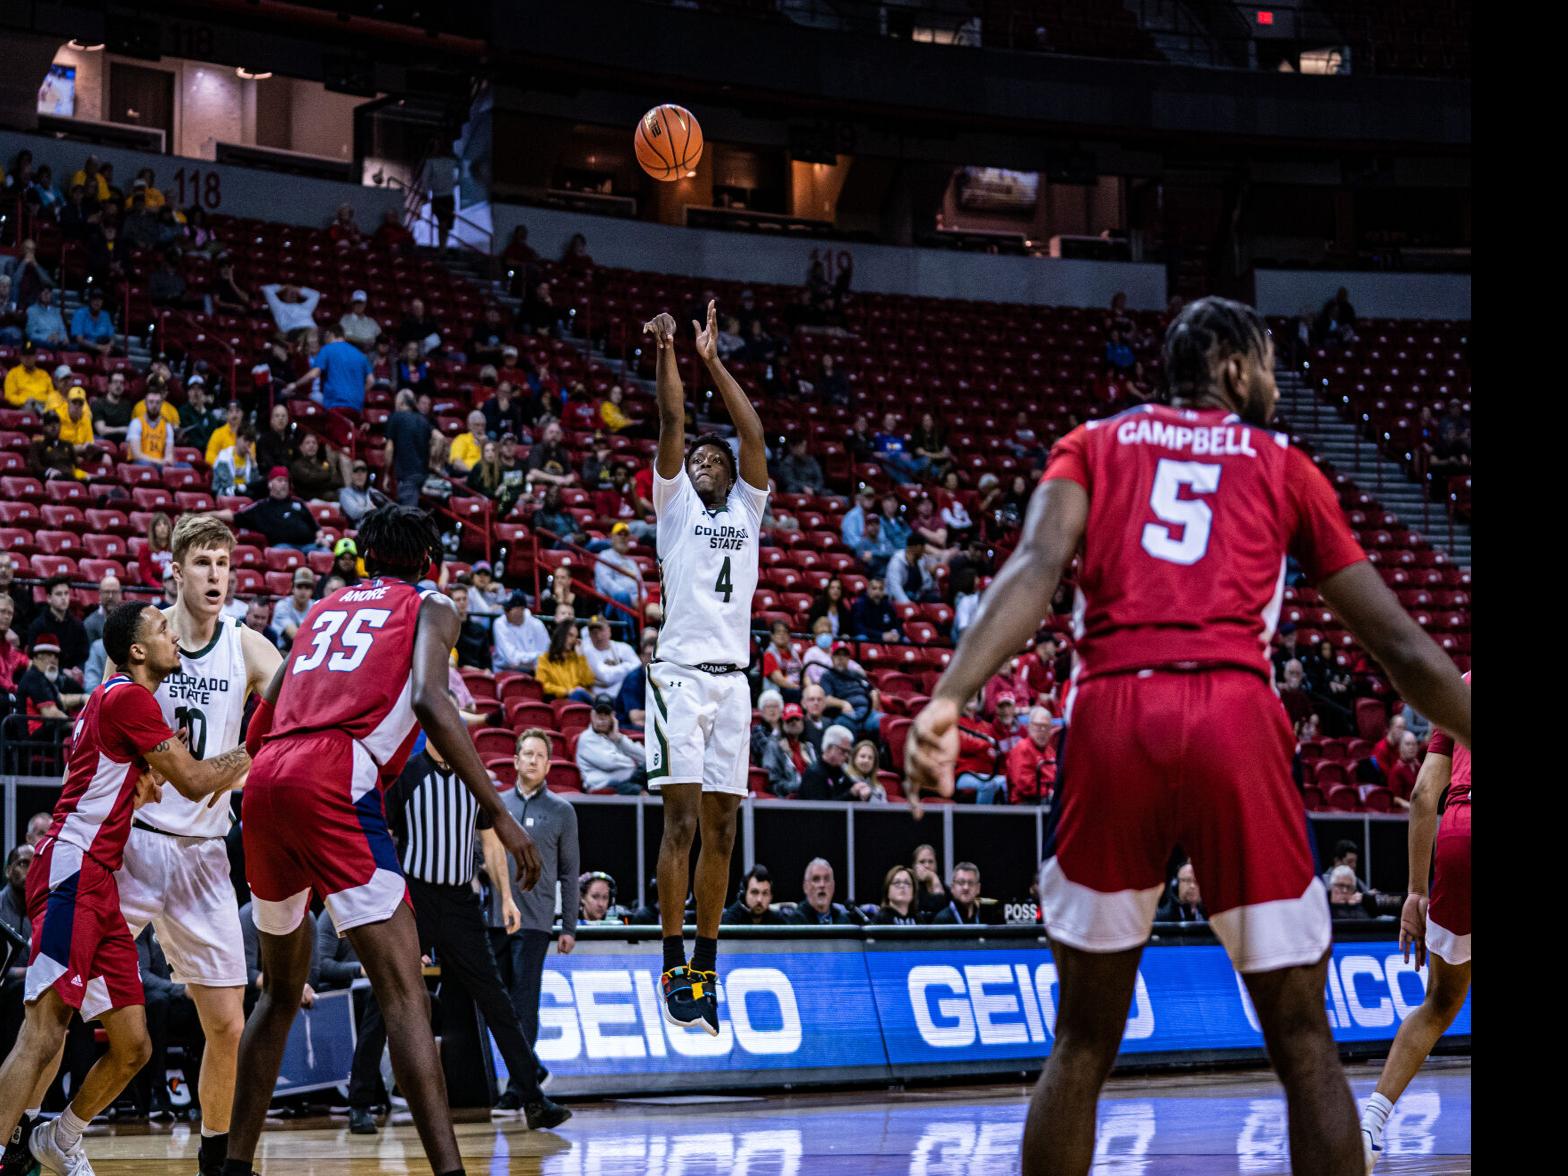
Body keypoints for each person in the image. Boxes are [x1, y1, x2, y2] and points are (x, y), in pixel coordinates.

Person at [903, 295, 1471, 1176]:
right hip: (1233, 719)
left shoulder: (1091, 444)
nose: (1277, 385)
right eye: (1271, 367)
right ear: (1237, 372)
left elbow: (1033, 566)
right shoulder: (1281, 462)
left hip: (1111, 715)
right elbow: (1399, 645)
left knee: (1082, 1042)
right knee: (1303, 1040)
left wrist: (948, 697)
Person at [224, 505, 543, 1176]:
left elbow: (267, 710)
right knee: (404, 993)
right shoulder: (431, 602)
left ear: (363, 557)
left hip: (269, 777)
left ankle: (232, 1166)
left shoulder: (324, 609)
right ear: (433, 560)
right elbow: (430, 698)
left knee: (279, 994)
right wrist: (499, 810)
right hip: (334, 776)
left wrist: (269, 779)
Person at [0, 601, 249, 1176]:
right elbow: (194, 781)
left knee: (134, 1044)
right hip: (71, 865)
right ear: (137, 651)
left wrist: (145, 776)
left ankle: (58, 1137)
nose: (174, 635)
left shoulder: (118, 703)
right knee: (44, 1029)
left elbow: (134, 778)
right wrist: (255, 741)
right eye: (163, 629)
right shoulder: (128, 695)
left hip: (101, 879)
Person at [98, 517, 283, 1174]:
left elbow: (294, 705)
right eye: (202, 562)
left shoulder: (248, 646)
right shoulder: (148, 643)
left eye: (224, 564)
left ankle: (216, 1158)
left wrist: (256, 753)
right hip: (138, 844)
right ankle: (30, 1128)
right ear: (175, 571)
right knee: (63, 1002)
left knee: (229, 1024)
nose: (215, 576)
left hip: (206, 853)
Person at [640, 301, 768, 1036]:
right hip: (681, 674)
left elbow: (751, 434)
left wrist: (714, 360)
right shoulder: (677, 509)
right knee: (682, 821)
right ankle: (669, 958)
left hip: (734, 680)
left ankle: (707, 964)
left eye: (714, 461)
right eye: (699, 461)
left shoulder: (749, 508)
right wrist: (669, 353)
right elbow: (671, 425)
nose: (706, 463)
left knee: (723, 830)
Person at [358, 731, 570, 1132]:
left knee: (497, 1001)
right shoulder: (407, 772)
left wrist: (507, 897)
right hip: (416, 898)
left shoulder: (474, 777)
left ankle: (532, 1098)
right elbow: (381, 835)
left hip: (461, 903)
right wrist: (388, 897)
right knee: (386, 995)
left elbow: (490, 845)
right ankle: (360, 1101)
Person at [1359, 671, 1471, 1170]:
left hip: (1458, 836)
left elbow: (1426, 793)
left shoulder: (1462, 685)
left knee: (1440, 1003)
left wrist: (1415, 892)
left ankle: (1369, 1125)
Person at [493, 729, 577, 1110]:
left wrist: (569, 926)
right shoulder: (495, 804)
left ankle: (518, 1087)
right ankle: (532, 1069)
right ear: (514, 760)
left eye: (539, 755)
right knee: (500, 1004)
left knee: (524, 1004)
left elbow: (569, 872)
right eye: (525, 753)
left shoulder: (562, 811)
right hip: (494, 918)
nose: (531, 760)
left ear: (547, 764)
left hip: (536, 921)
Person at [282, 326, 372, 415]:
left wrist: (295, 384)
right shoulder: (361, 355)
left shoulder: (328, 349)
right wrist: (358, 394)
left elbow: (314, 374)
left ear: (330, 335)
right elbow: (371, 381)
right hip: (357, 406)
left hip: (336, 404)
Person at [575, 695, 644, 795]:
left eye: (606, 713)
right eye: (599, 713)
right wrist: (634, 762)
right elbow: (609, 762)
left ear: (613, 716)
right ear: (592, 715)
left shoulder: (616, 737)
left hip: (626, 781)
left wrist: (619, 739)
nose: (602, 718)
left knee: (653, 775)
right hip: (604, 786)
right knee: (639, 788)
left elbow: (645, 757)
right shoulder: (586, 738)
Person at [24, 575, 89, 674]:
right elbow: (35, 660)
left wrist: (79, 669)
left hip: (74, 678)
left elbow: (84, 656)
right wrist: (62, 671)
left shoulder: (78, 625)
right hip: (46, 677)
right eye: (59, 594)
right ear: (49, 598)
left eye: (66, 593)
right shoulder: (38, 625)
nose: (63, 598)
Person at [383, 388, 434, 509]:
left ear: (400, 402)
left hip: (406, 477)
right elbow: (437, 441)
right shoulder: (423, 420)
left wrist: (386, 473)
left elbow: (389, 448)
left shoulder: (396, 417)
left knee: (408, 517)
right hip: (424, 476)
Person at [818, 642, 880, 737]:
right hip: (846, 714)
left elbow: (872, 689)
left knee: (886, 722)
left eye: (844, 655)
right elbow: (827, 699)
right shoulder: (827, 676)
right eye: (837, 655)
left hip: (867, 712)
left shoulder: (856, 674)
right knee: (844, 728)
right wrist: (843, 703)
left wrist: (874, 695)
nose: (841, 658)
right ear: (832, 657)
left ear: (848, 659)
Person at [1006, 706, 1058, 806]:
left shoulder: (1050, 751)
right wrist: (1049, 793)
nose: (1042, 731)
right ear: (1029, 727)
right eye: (1038, 726)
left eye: (1046, 727)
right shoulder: (1022, 748)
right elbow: (1024, 786)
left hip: (1046, 797)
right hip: (1026, 803)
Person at [785, 858, 862, 925]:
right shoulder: (795, 921)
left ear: (833, 886)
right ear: (805, 887)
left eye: (827, 879)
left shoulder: (843, 921)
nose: (822, 885)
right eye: (816, 879)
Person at [534, 620, 596, 702]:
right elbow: (542, 685)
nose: (573, 640)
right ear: (561, 634)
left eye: (575, 637)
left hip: (581, 699)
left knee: (605, 700)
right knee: (577, 694)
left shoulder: (577, 657)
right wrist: (567, 691)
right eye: (570, 635)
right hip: (559, 701)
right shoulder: (544, 659)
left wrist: (581, 656)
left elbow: (589, 681)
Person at [491, 589, 550, 674]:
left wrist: (530, 660)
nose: (505, 612)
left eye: (509, 609)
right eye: (505, 609)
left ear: (521, 609)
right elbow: (511, 660)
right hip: (504, 671)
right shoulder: (500, 623)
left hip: (533, 672)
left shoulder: (537, 625)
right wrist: (535, 657)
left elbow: (545, 655)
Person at [798, 723, 855, 801]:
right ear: (829, 748)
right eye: (843, 751)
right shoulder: (814, 774)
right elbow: (822, 809)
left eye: (848, 752)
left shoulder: (840, 771)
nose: (846, 756)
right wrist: (851, 794)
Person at [582, 615, 638, 693]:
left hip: (625, 693)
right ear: (590, 636)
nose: (598, 636)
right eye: (594, 633)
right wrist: (626, 666)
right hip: (600, 696)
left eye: (601, 630)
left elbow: (638, 669)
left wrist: (616, 672)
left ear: (609, 630)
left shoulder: (624, 648)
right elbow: (606, 676)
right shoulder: (588, 652)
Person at [271, 567, 317, 646]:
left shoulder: (316, 606)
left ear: (312, 590)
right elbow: (295, 636)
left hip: (306, 649)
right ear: (292, 588)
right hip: (283, 652)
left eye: (307, 587)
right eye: (299, 586)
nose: (303, 591)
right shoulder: (282, 606)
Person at [338, 458, 389, 525]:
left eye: (363, 471)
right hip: (357, 532)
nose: (360, 475)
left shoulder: (372, 491)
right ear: (351, 474)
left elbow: (388, 506)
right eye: (356, 471)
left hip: (376, 528)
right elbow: (355, 513)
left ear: (367, 474)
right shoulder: (345, 493)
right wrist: (374, 509)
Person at [850, 577, 901, 643]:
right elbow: (858, 628)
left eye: (881, 589)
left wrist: (895, 633)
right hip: (869, 638)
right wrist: (881, 635)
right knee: (861, 637)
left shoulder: (887, 605)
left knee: (905, 639)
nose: (877, 592)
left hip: (886, 639)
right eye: (874, 588)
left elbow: (897, 624)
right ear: (868, 590)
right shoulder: (860, 605)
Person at [70, 287, 116, 356]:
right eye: (94, 298)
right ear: (90, 300)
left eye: (100, 299)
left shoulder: (106, 315)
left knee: (118, 352)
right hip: (87, 346)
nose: (97, 302)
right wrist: (98, 347)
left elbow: (112, 337)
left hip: (103, 346)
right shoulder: (80, 313)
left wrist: (108, 347)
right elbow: (79, 340)